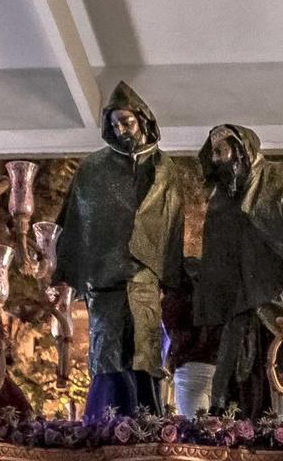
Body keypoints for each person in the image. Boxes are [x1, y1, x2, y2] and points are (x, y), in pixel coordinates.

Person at [52, 82, 185, 420]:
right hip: (105, 283)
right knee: (108, 359)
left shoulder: (165, 170)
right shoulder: (93, 169)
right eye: (114, 124)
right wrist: (70, 271)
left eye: (126, 122)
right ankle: (104, 426)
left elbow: (174, 224)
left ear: (142, 120)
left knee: (145, 359)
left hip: (145, 282)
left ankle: (146, 428)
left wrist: (172, 276)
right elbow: (75, 220)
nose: (121, 129)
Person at [194, 124, 283, 415]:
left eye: (219, 151)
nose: (215, 159)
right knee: (237, 389)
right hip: (241, 307)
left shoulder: (280, 176)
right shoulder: (223, 197)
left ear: (239, 150)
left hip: (280, 301)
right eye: (212, 153)